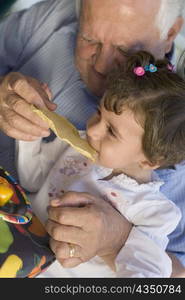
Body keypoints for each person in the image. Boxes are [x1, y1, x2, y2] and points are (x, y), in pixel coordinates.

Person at [0, 0, 185, 276]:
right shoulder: (53, 17)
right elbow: (34, 179)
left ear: (170, 33)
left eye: (125, 50)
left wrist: (118, 242)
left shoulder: (156, 208)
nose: (101, 65)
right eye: (88, 38)